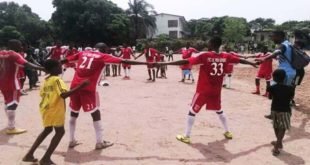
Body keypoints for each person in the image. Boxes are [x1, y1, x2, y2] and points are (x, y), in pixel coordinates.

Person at [158, 37, 257, 144]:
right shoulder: (226, 56)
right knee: (219, 110)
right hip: (216, 91)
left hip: (203, 90)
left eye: (209, 42)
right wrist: (251, 63)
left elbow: (186, 61)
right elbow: (239, 60)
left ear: (212, 44)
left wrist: (164, 63)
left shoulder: (205, 55)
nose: (207, 44)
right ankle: (228, 132)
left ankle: (186, 136)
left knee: (192, 111)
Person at [63, 42, 149, 150]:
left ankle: (71, 140)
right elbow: (125, 61)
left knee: (73, 113)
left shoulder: (83, 53)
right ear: (104, 50)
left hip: (74, 87)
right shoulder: (103, 56)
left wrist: (46, 66)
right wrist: (147, 64)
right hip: (88, 88)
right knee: (95, 113)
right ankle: (99, 142)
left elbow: (65, 60)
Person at [22, 59, 89, 165]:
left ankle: (29, 154)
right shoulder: (57, 80)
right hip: (55, 109)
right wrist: (81, 86)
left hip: (45, 109)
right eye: (58, 66)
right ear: (53, 69)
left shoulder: (46, 80)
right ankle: (46, 158)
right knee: (60, 132)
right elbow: (64, 94)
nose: (60, 67)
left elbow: (43, 94)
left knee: (47, 130)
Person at [0, 39, 44, 135]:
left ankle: (10, 124)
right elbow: (27, 64)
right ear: (14, 46)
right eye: (19, 45)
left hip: (2, 82)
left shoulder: (1, 53)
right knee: (14, 104)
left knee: (7, 102)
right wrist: (44, 69)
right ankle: (11, 127)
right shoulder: (15, 55)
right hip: (13, 83)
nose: (21, 47)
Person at [256, 31, 296, 119]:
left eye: (273, 37)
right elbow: (280, 56)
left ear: (279, 36)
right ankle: (284, 114)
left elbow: (277, 52)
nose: (272, 39)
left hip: (284, 73)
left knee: (276, 92)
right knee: (285, 93)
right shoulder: (289, 44)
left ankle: (275, 114)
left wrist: (264, 58)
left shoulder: (283, 45)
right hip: (291, 72)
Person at [267, 69, 294, 156]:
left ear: (274, 78)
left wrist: (269, 85)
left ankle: (277, 144)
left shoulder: (272, 88)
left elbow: (270, 98)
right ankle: (278, 144)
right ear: (285, 78)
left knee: (276, 126)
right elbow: (290, 98)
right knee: (283, 128)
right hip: (285, 110)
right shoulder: (290, 88)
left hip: (274, 109)